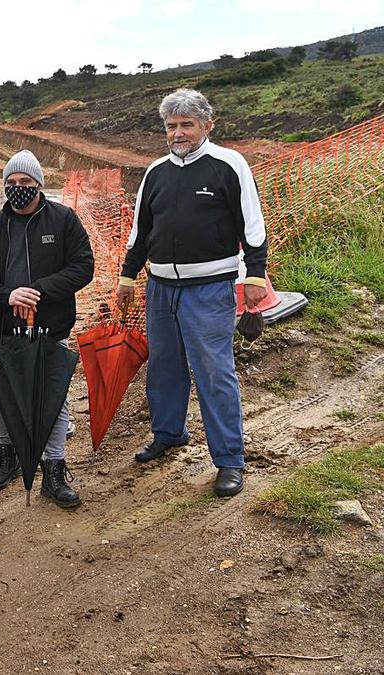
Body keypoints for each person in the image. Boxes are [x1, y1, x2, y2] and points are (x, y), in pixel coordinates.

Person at [116, 88, 267, 497]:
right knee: (164, 366)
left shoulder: (228, 165)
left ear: (207, 125)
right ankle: (168, 433)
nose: (178, 133)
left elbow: (252, 225)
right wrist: (128, 277)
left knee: (214, 373)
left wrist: (255, 276)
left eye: (187, 124)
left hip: (210, 288)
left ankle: (230, 460)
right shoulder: (156, 172)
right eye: (171, 126)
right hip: (161, 288)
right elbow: (141, 231)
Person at [0, 150, 95, 508]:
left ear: (39, 184)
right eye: (12, 183)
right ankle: (7, 455)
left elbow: (83, 267)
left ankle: (53, 467)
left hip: (50, 327)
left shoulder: (64, 220)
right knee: (3, 396)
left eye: (25, 182)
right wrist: (7, 295)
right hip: (1, 327)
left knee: (53, 397)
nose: (18, 188)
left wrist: (39, 291)